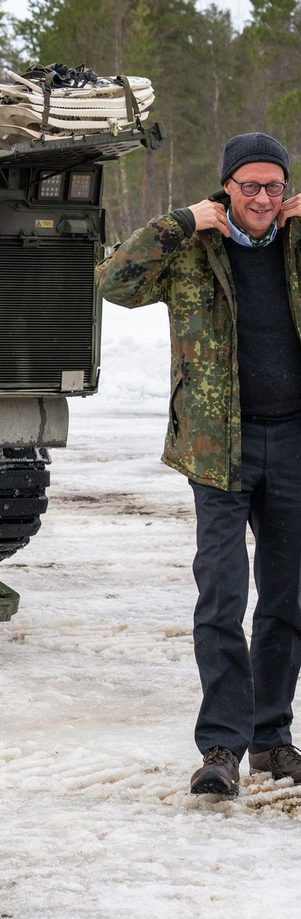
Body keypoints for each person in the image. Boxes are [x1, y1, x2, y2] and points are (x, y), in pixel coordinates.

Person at [97, 131, 301, 798]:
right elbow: (113, 281)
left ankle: (273, 739)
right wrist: (179, 220)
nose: (263, 197)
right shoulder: (191, 249)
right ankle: (221, 745)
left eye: (273, 185)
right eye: (250, 186)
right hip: (217, 447)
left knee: (285, 599)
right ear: (227, 189)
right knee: (221, 593)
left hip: (294, 442)